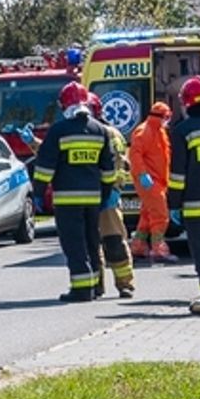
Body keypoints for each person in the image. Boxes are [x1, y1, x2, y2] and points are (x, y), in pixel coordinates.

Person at [31, 82, 117, 302]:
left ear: (64, 105)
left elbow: (45, 167)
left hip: (67, 199)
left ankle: (81, 289)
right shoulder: (100, 130)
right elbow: (108, 169)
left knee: (74, 243)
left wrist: (38, 193)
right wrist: (105, 195)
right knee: (91, 241)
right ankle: (96, 286)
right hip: (93, 198)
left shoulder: (59, 130)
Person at [167, 77, 200, 315]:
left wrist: (173, 204)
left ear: (186, 103)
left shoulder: (183, 131)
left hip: (198, 205)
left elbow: (177, 175)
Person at [88, 93, 135, 298]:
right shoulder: (83, 131)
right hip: (87, 195)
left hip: (106, 195)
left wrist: (114, 189)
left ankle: (124, 283)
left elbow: (120, 164)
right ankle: (96, 284)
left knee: (114, 240)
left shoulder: (109, 133)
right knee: (91, 243)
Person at [129, 101, 175, 263]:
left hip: (157, 180)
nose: (167, 120)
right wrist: (142, 174)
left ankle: (138, 245)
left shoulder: (158, 130)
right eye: (166, 117)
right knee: (160, 215)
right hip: (149, 180)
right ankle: (158, 248)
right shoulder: (144, 131)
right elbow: (135, 154)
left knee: (147, 214)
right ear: (159, 116)